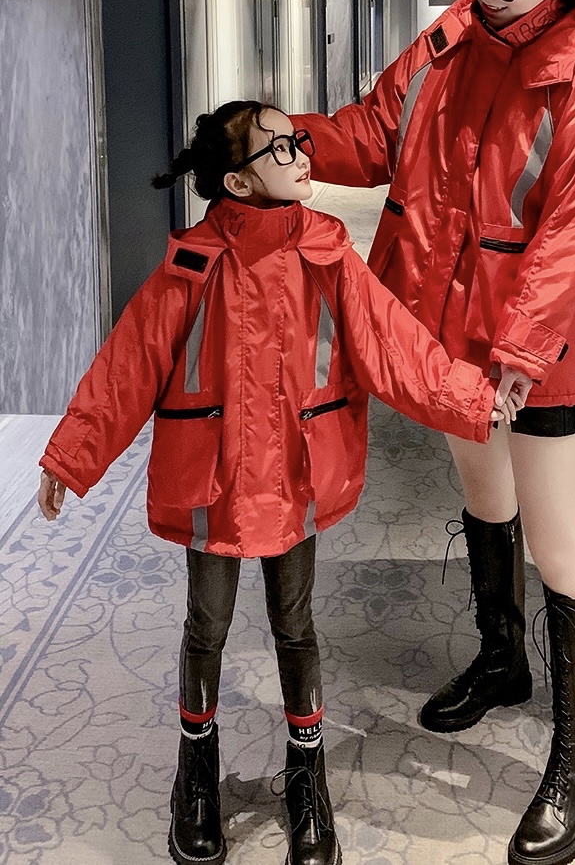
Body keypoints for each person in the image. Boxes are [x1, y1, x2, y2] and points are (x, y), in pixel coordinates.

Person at [37, 101, 507, 865]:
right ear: (238, 181)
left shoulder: (326, 255)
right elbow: (129, 364)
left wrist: (472, 399)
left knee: (296, 627)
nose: (300, 154)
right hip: (212, 481)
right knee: (206, 627)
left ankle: (305, 773)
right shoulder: (193, 266)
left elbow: (396, 347)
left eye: (297, 141)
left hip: (294, 476)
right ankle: (195, 770)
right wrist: (71, 453)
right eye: (280, 147)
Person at [292, 0, 575, 865]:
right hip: (441, 337)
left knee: (556, 537)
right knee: (482, 497)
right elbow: (370, 136)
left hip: (528, 355)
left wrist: (518, 351)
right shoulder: (444, 44)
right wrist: (283, 141)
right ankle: (500, 659)